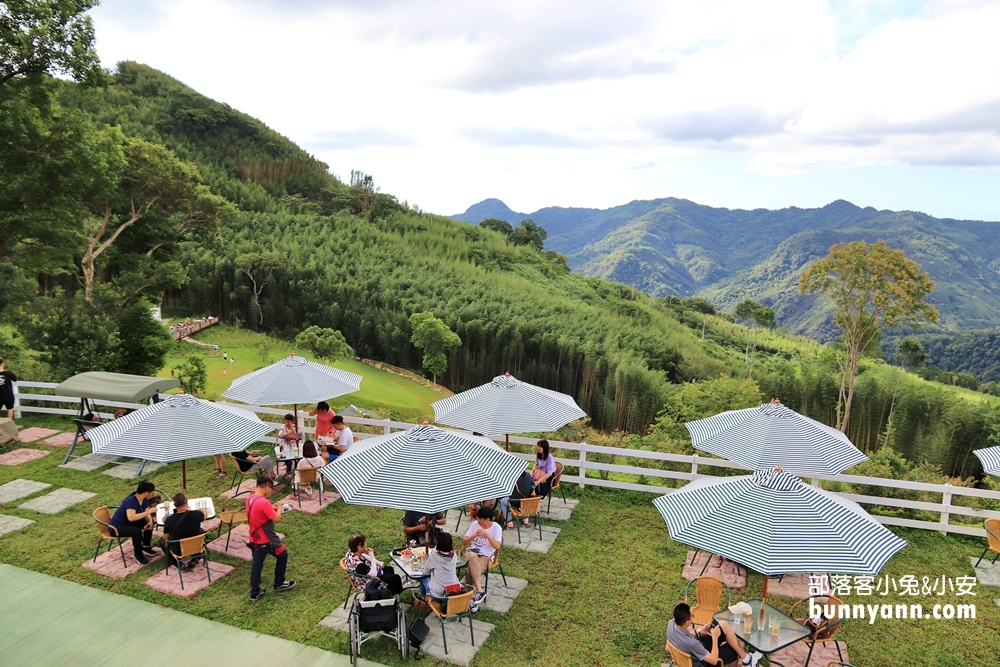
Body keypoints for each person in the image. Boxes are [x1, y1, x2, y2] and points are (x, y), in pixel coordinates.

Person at [245, 475, 296, 601]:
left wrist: (270, 509)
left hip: (254, 537)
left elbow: (259, 514)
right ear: (266, 486)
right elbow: (276, 519)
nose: (270, 491)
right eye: (270, 488)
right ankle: (279, 582)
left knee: (257, 565)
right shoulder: (263, 502)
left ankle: (255, 591)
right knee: (283, 554)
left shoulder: (250, 499)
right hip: (267, 539)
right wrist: (278, 508)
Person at [667, 603, 760, 667]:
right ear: (687, 622)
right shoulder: (693, 644)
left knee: (722, 625)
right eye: (692, 616)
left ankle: (747, 659)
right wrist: (715, 638)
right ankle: (748, 660)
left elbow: (685, 637)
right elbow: (713, 660)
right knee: (732, 650)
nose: (693, 617)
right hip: (703, 662)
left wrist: (699, 632)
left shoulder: (671, 624)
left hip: (694, 651)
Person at [462, 506, 502, 609]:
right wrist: (473, 536)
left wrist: (486, 534)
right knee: (471, 555)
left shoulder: (496, 528)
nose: (477, 520)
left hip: (486, 556)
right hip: (472, 552)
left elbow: (497, 547)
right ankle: (480, 591)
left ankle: (471, 601)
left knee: (469, 571)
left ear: (487, 519)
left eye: (479, 519)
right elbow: (464, 542)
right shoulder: (475, 525)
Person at [110, 481, 159, 564]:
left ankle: (146, 546)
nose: (152, 494)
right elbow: (131, 517)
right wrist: (148, 512)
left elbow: (146, 511)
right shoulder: (131, 501)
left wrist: (150, 521)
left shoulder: (144, 500)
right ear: (147, 492)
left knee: (148, 524)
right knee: (136, 532)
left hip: (130, 523)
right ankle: (138, 554)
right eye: (152, 492)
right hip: (118, 527)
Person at [159, 493, 206, 570]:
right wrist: (199, 509)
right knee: (201, 532)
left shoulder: (170, 520)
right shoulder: (196, 514)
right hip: (195, 546)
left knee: (162, 541)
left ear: (174, 505)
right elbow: (204, 514)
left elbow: (166, 538)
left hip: (178, 550)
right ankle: (195, 559)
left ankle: (176, 562)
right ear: (187, 502)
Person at [414, 532, 460, 603]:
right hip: (454, 591)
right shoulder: (454, 556)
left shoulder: (433, 557)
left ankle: (423, 597)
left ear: (438, 543)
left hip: (438, 595)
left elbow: (425, 572)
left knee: (423, 578)